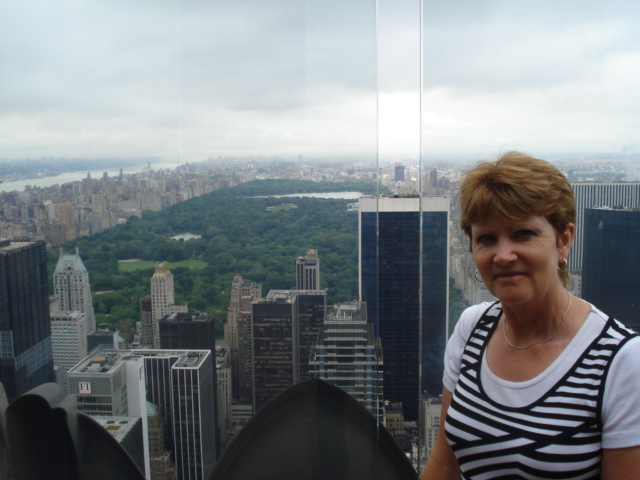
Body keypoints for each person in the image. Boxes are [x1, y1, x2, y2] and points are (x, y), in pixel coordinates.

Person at [422, 151, 640, 479]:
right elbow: (445, 461)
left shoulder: (622, 362)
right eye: (486, 239)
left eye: (523, 234)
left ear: (564, 240)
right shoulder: (471, 329)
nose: (504, 255)